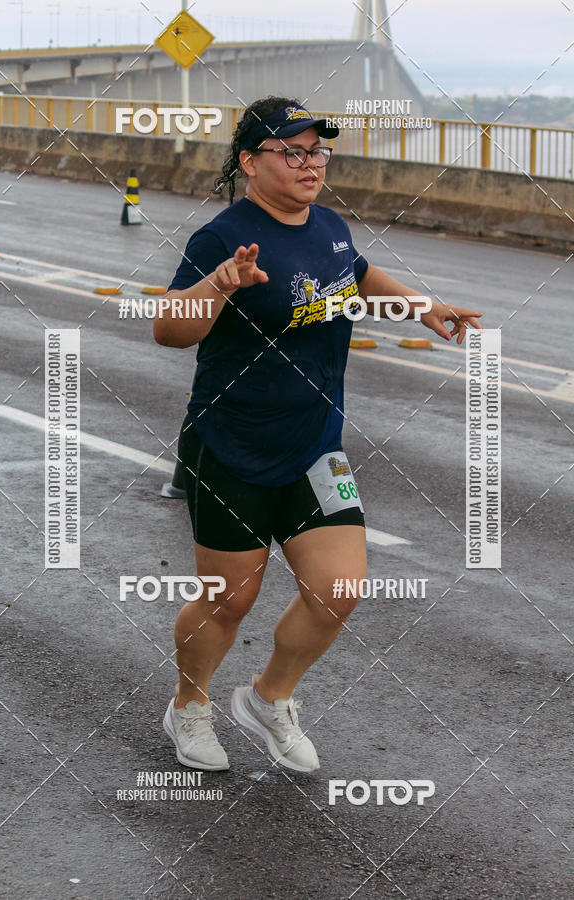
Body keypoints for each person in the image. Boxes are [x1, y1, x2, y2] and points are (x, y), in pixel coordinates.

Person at [154, 96, 482, 773]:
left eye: (318, 152)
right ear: (250, 161)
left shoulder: (329, 225)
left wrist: (422, 307)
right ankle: (189, 706)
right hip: (233, 442)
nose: (311, 164)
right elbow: (169, 329)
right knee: (229, 600)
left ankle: (269, 696)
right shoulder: (222, 238)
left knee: (337, 590)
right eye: (293, 152)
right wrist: (219, 284)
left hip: (314, 443)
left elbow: (354, 274)